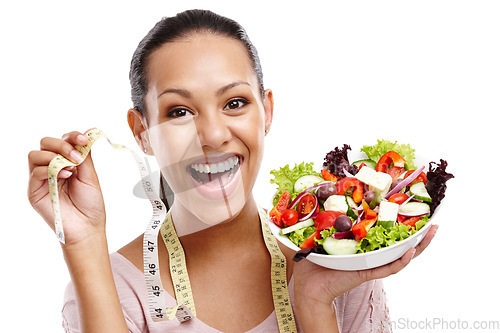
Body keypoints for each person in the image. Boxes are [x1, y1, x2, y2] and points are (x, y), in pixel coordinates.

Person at [27, 9, 437, 333]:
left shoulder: (340, 265)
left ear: (267, 111)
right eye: (180, 111)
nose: (213, 134)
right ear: (143, 133)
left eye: (235, 103)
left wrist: (313, 305)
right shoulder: (117, 290)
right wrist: (83, 246)